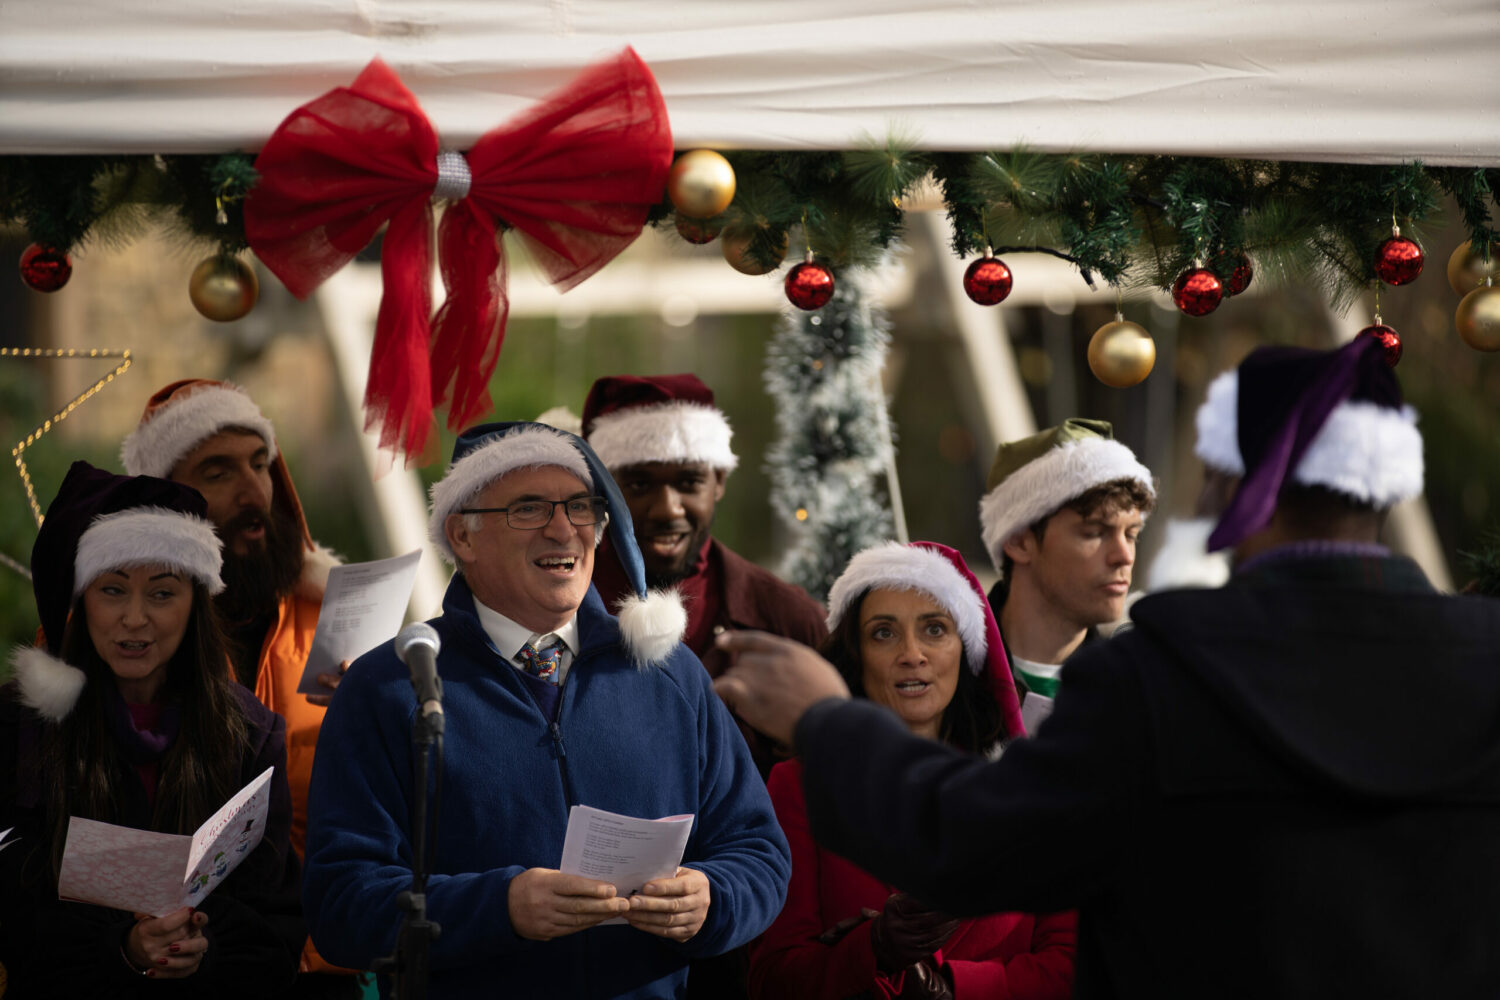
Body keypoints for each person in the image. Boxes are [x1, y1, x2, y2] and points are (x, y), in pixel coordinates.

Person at [714, 336, 1500, 998]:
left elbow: (976, 842)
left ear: (1232, 484)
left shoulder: (1164, 677)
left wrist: (826, 721)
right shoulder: (1485, 657)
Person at [302, 421, 791, 999]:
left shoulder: (670, 673)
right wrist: (500, 907)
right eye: (529, 508)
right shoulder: (391, 687)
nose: (564, 528)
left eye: (581, 507)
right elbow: (342, 906)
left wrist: (712, 899)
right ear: (462, 535)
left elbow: (758, 851)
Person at [0, 462, 303, 998]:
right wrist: (122, 950)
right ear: (80, 598)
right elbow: (14, 910)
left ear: (196, 603)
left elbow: (276, 918)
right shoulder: (23, 727)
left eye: (162, 594)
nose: (134, 619)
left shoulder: (250, 735)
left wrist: (204, 952)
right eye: (112, 590)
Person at [750, 540, 1075, 1000]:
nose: (912, 653)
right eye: (883, 633)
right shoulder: (799, 786)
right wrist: (874, 948)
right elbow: (771, 980)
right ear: (856, 654)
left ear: (966, 650)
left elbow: (1073, 965)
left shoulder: (1030, 784)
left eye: (935, 629)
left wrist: (953, 989)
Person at [121, 378, 350, 994]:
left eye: (260, 464)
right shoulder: (109, 639)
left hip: (328, 961)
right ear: (163, 500)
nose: (254, 492)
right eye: (217, 472)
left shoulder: (336, 621)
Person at [583, 374, 827, 683]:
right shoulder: (557, 609)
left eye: (689, 482)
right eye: (640, 484)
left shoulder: (788, 620)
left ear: (719, 481)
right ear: (604, 489)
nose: (667, 509)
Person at [976, 419, 1154, 724]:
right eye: (1095, 532)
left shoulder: (1140, 691)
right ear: (1018, 542)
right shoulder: (941, 676)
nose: (1124, 556)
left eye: (1131, 534)